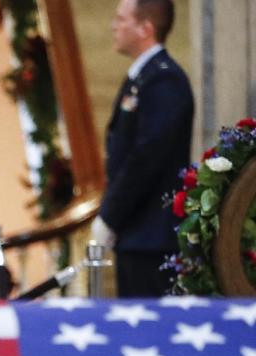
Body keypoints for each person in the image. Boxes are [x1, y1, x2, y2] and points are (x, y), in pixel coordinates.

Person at [92, 0, 193, 297]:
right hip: (137, 234)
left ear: (145, 28)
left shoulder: (164, 79)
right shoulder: (143, 77)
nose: (114, 25)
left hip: (153, 237)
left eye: (121, 19)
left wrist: (110, 216)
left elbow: (147, 158)